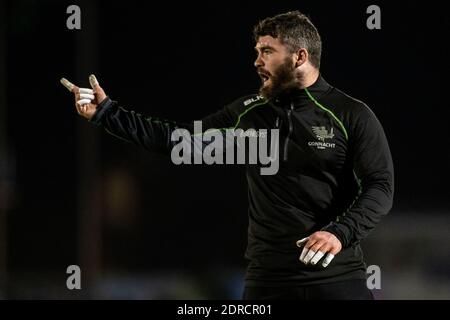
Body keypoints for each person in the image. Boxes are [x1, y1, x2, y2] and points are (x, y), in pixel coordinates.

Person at [62, 11, 394, 300]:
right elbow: (179, 141)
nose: (257, 61)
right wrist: (108, 113)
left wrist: (338, 233)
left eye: (267, 51)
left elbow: (380, 186)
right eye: (257, 51)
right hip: (268, 282)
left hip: (337, 280)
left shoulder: (351, 115)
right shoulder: (248, 113)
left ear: (299, 57)